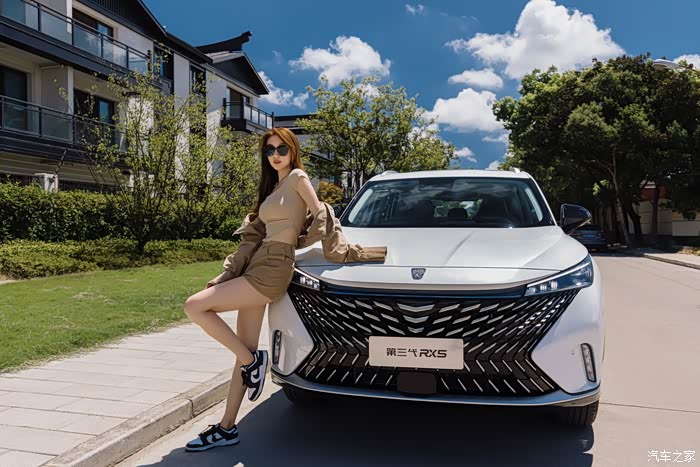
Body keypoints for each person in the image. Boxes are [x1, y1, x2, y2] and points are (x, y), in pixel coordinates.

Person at [182, 127, 322, 451]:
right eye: (270, 150)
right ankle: (227, 428)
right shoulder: (274, 188)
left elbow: (321, 216)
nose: (275, 155)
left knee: (194, 306)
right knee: (242, 350)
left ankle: (253, 362)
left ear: (293, 150)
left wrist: (310, 245)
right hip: (258, 262)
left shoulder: (298, 177)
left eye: (282, 149)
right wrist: (227, 274)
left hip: (274, 266)